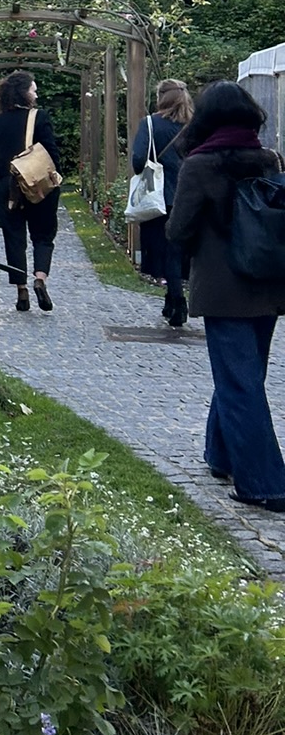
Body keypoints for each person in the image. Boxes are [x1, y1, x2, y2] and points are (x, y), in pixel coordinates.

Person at [165, 80, 285, 514]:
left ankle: (264, 483)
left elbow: (177, 230)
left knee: (239, 382)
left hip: (222, 287)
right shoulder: (270, 159)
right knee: (245, 374)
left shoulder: (201, 164)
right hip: (268, 283)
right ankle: (222, 456)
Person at [0, 71, 61, 313]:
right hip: (39, 186)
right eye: (33, 90)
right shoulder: (40, 118)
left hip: (8, 188)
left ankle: (22, 291)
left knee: (14, 238)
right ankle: (40, 278)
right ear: (24, 93)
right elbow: (52, 154)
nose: (36, 94)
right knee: (43, 235)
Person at [131, 77, 192, 327]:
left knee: (163, 250)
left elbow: (138, 159)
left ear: (161, 98)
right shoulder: (194, 126)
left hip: (159, 196)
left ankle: (177, 300)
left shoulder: (150, 124)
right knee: (178, 251)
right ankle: (173, 299)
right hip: (189, 196)